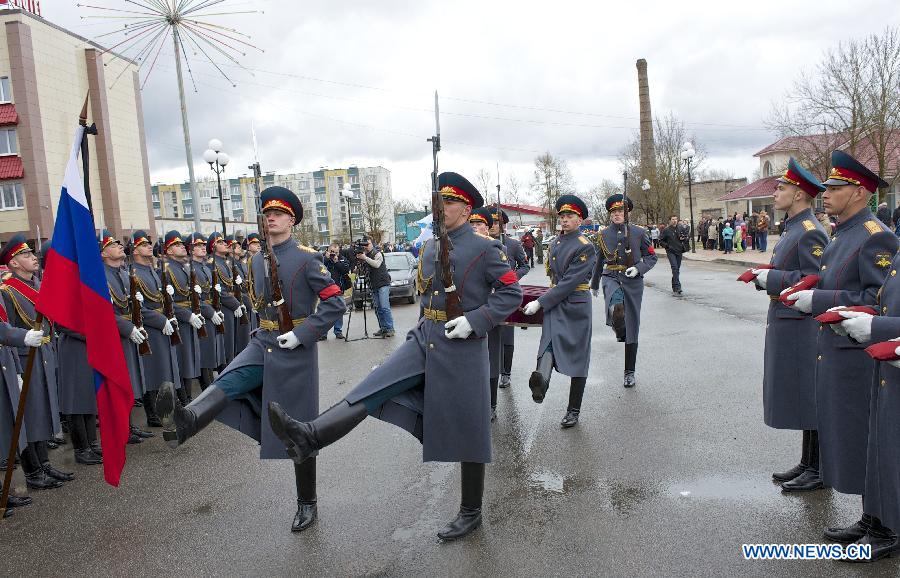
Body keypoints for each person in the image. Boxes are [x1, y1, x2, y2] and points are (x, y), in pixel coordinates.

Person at [266, 172, 521, 540]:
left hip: (462, 343)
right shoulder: (432, 246)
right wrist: (415, 333)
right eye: (439, 201)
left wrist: (476, 321)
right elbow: (427, 295)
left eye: (449, 202)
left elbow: (510, 294)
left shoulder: (486, 248)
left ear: (466, 209)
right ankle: (309, 435)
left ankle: (471, 511)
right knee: (373, 386)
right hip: (425, 337)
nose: (441, 208)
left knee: (470, 425)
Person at [157, 186, 345, 533]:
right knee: (228, 380)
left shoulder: (306, 258)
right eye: (266, 213)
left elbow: (335, 303)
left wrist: (303, 334)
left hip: (295, 350)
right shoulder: (256, 259)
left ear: (291, 220)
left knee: (298, 426)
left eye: (278, 213)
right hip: (263, 341)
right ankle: (185, 422)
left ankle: (307, 502)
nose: (270, 217)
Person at [783, 150, 898, 544]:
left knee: (870, 439)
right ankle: (873, 517)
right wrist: (810, 287)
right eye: (828, 187)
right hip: (837, 347)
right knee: (857, 438)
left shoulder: (874, 235)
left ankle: (882, 522)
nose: (826, 194)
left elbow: (877, 297)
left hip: (859, 354)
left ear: (860, 192)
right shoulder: (841, 233)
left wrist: (816, 301)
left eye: (837, 187)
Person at [748, 158, 829, 492]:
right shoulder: (795, 227)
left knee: (811, 395)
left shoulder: (809, 231)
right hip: (788, 321)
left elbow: (816, 280)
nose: (776, 192)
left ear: (798, 194)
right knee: (802, 394)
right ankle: (808, 462)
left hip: (802, 324)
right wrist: (767, 277)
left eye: (781, 188)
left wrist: (773, 278)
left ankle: (820, 469)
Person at [835, 253, 900, 561]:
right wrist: (857, 316)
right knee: (883, 447)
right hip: (889, 368)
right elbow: (887, 303)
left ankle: (890, 528)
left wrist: (878, 327)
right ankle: (879, 519)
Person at [0, 235, 71, 489]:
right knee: (29, 415)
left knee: (44, 411)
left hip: (43, 353)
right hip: (24, 357)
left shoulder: (39, 285)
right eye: (26, 255)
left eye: (33, 254)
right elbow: (8, 329)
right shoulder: (8, 291)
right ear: (14, 263)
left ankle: (45, 464)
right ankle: (32, 472)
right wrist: (17, 369)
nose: (33, 258)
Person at [526, 195, 597, 428]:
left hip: (576, 304)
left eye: (570, 217)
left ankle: (573, 410)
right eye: (563, 216)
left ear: (580, 220)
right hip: (556, 301)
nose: (565, 220)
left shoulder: (585, 247)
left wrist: (541, 302)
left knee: (579, 356)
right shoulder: (555, 242)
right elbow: (555, 280)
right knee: (547, 343)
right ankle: (541, 383)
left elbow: (568, 282)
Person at [591, 193, 658, 389]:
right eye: (613, 211)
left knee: (632, 326)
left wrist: (639, 268)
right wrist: (595, 283)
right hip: (611, 278)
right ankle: (618, 326)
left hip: (633, 282)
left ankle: (629, 372)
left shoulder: (638, 232)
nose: (617, 214)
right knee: (617, 309)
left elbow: (651, 257)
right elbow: (599, 261)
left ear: (627, 212)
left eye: (620, 211)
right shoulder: (602, 235)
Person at [100, 230, 154, 444]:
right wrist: (128, 327)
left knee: (129, 381)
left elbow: (127, 305)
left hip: (128, 330)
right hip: (115, 334)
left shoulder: (123, 273)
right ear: (103, 253)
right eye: (113, 244)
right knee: (117, 384)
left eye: (119, 243)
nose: (120, 246)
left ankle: (129, 426)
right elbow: (106, 312)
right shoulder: (101, 276)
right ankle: (120, 429)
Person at [130, 231, 182, 423]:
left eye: (149, 243)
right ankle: (153, 413)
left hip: (163, 323)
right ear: (135, 250)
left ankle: (168, 407)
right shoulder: (134, 273)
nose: (149, 246)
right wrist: (161, 321)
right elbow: (138, 308)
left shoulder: (152, 270)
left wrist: (170, 314)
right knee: (152, 371)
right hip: (150, 327)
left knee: (165, 368)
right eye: (143, 244)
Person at [489, 208, 529, 415]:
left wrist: (513, 276)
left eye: (497, 222)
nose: (493, 226)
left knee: (507, 336)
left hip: (507, 295)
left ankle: (506, 372)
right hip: (487, 296)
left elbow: (525, 265)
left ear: (503, 224)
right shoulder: (483, 244)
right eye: (491, 222)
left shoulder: (512, 245)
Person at [162, 231, 204, 404]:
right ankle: (183, 399)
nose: (182, 247)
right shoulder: (167, 270)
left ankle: (188, 398)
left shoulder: (183, 268)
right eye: (176, 245)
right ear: (169, 251)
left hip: (189, 318)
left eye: (181, 244)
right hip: (179, 321)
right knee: (181, 360)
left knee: (188, 359)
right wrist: (188, 316)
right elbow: (168, 302)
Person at [188, 233, 225, 390]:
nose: (203, 247)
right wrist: (210, 312)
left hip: (212, 312)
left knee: (212, 353)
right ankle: (207, 389)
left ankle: (213, 386)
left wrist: (217, 309)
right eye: (198, 245)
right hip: (201, 315)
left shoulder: (204, 268)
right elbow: (193, 299)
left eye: (204, 245)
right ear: (190, 249)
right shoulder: (190, 269)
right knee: (205, 355)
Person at [209, 232, 247, 366]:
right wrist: (236, 304)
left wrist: (239, 303)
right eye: (220, 242)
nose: (225, 244)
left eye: (225, 242)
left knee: (234, 343)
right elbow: (220, 290)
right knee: (228, 345)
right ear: (213, 247)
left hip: (233, 306)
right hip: (224, 307)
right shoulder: (213, 264)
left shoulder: (224, 263)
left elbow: (232, 287)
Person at [355, 237, 394, 338]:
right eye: (365, 245)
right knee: (377, 308)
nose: (366, 247)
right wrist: (358, 265)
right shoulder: (364, 255)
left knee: (384, 307)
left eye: (367, 244)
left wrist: (365, 258)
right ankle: (383, 328)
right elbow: (362, 271)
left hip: (383, 283)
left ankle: (390, 329)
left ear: (372, 243)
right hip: (373, 284)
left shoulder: (378, 253)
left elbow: (376, 265)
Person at [323, 242, 351, 339]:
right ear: (328, 251)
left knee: (339, 310)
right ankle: (323, 333)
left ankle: (338, 331)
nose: (334, 254)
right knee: (325, 312)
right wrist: (326, 259)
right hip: (325, 289)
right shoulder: (323, 259)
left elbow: (346, 270)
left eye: (336, 252)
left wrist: (337, 262)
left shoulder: (342, 259)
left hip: (339, 288)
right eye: (332, 252)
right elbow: (318, 268)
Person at [657, 215, 685, 295]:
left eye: (676, 219)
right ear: (670, 220)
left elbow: (685, 237)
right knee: (675, 268)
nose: (675, 221)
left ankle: (674, 284)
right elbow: (660, 240)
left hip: (679, 251)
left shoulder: (680, 228)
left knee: (677, 269)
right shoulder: (666, 230)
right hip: (671, 251)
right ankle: (677, 286)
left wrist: (684, 238)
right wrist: (667, 246)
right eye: (673, 219)